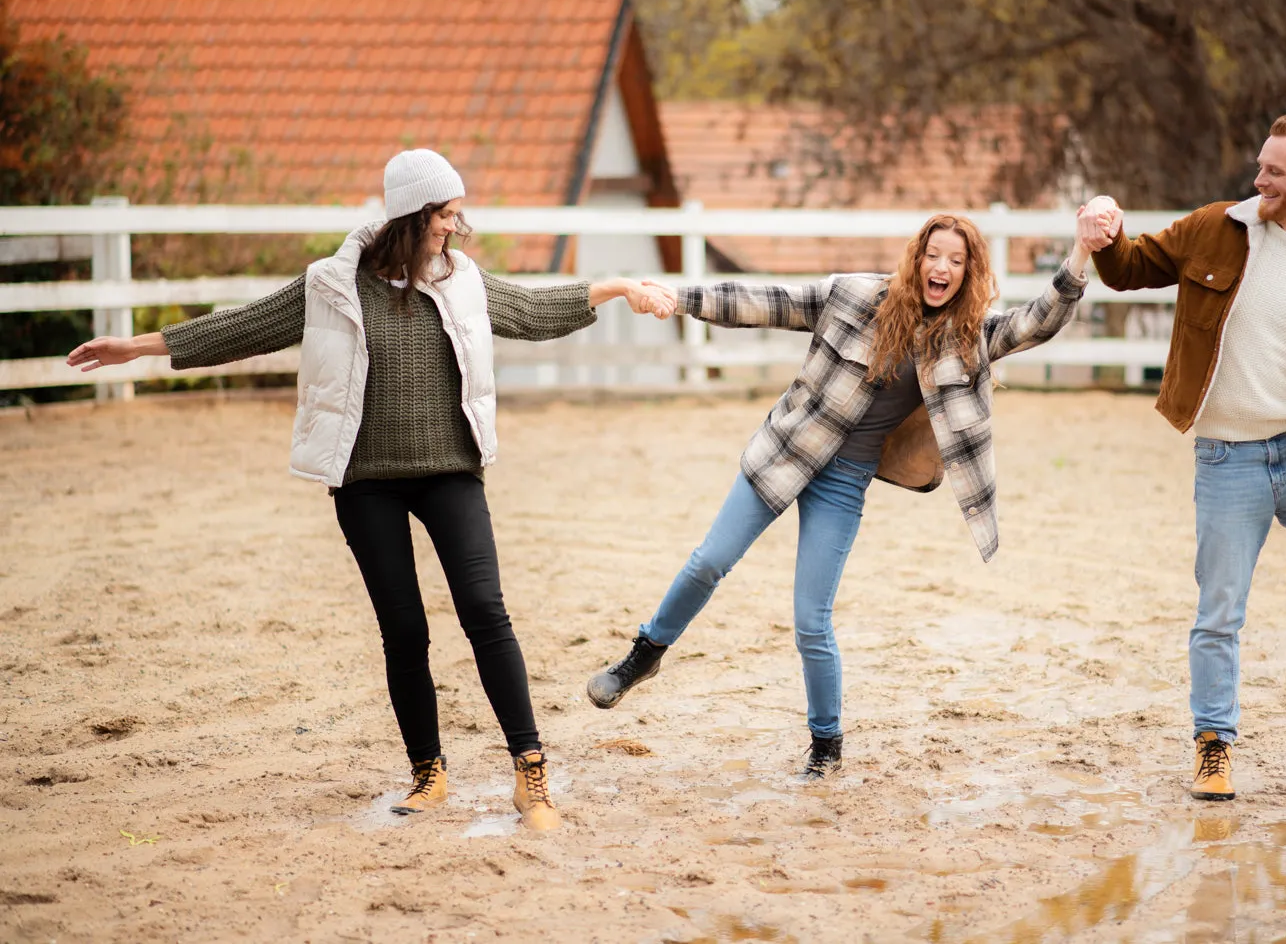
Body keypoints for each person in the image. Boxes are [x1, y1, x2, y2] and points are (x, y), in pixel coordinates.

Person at [65, 149, 675, 829]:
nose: (455, 226)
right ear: (413, 217)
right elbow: (240, 329)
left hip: (450, 469)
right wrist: (137, 348)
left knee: (485, 610)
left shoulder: (463, 279)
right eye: (445, 215)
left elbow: (534, 312)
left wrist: (620, 287)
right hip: (365, 482)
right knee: (403, 629)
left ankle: (529, 771)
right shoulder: (331, 285)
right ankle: (427, 773)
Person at [584, 212, 1092, 778]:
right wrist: (676, 298)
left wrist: (1080, 252)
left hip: (844, 482)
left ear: (969, 273)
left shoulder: (967, 337)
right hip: (785, 452)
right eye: (934, 255)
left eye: (956, 260)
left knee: (811, 619)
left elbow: (1037, 323)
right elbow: (765, 301)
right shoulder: (852, 296)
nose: (941, 267)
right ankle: (643, 656)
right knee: (709, 561)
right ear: (916, 258)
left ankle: (826, 747)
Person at [1076, 115, 1286, 801]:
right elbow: (1132, 269)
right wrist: (1105, 240)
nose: (1259, 180)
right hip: (1227, 459)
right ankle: (1214, 745)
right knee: (1220, 612)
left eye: (1275, 172)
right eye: (1260, 166)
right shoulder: (1215, 228)